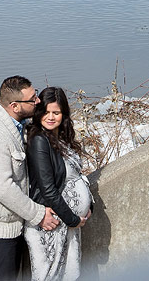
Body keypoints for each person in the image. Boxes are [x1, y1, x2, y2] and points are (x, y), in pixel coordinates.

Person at [0, 76, 61, 281]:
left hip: (8, 226)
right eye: (32, 99)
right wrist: (38, 214)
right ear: (15, 106)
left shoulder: (14, 123)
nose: (38, 102)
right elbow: (3, 187)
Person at [24, 87, 91, 281]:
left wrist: (90, 205)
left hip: (67, 224)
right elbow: (47, 189)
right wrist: (73, 219)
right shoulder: (38, 141)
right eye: (46, 112)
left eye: (56, 112)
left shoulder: (60, 138)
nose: (51, 117)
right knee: (49, 277)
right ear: (39, 113)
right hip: (51, 225)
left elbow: (76, 176)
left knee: (69, 275)